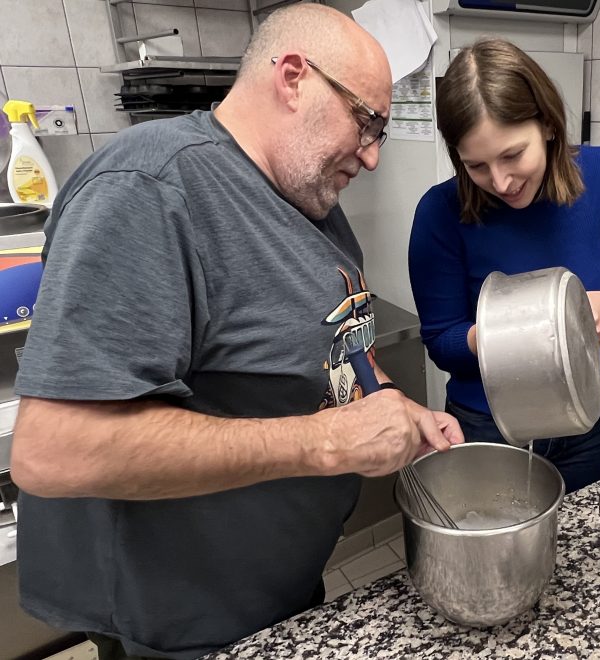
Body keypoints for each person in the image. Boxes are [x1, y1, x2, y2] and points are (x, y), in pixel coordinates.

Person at [10, 5, 462, 659]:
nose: (369, 156)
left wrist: (395, 406)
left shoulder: (309, 200)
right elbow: (53, 451)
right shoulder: (151, 189)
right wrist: (324, 444)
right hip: (179, 620)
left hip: (274, 591)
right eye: (367, 122)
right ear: (294, 77)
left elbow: (341, 345)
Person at [408, 39, 600, 493]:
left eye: (512, 155)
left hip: (589, 423)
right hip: (491, 431)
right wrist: (512, 331)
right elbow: (441, 341)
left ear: (548, 124)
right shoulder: (439, 212)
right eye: (477, 166)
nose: (501, 182)